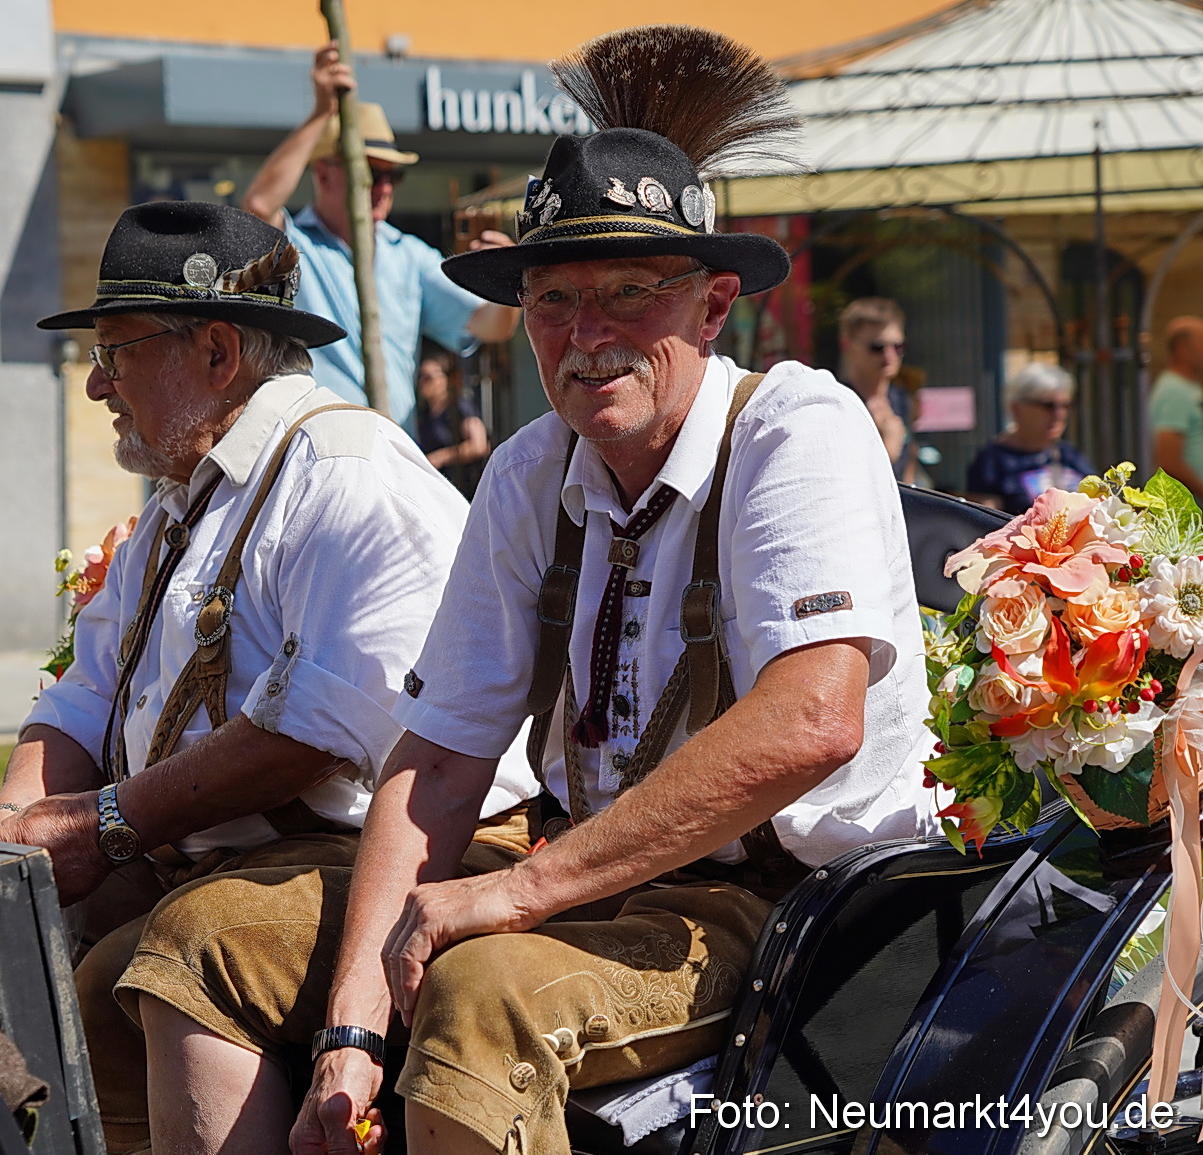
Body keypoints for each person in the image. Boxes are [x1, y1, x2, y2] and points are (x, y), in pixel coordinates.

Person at [125, 27, 937, 1155]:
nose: (584, 335)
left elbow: (811, 722)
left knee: (481, 995)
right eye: (553, 300)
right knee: (201, 939)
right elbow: (443, 756)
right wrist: (353, 1021)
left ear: (711, 308)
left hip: (795, 902)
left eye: (626, 294)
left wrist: (516, 894)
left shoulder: (796, 427)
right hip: (582, 867)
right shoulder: (528, 469)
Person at [0, 200, 538, 1154]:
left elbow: (318, 729)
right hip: (261, 859)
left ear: (216, 352)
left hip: (418, 858)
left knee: (186, 949)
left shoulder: (346, 472)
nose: (95, 385)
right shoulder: (180, 503)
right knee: (47, 966)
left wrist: (102, 825)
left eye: (115, 351)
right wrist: (4, 839)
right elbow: (80, 692)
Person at [240, 43, 521, 426]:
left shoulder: (407, 254)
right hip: (312, 455)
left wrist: (508, 282)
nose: (385, 187)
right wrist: (321, 114)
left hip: (390, 456)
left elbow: (491, 326)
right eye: (371, 172)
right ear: (323, 174)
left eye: (394, 176)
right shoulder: (294, 247)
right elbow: (258, 205)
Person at [965, 363, 1095, 513]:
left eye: (1065, 406)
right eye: (1048, 405)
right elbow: (985, 521)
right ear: (1016, 408)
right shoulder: (992, 461)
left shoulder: (1070, 455)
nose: (1059, 414)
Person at [838, 297, 918, 482]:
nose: (889, 355)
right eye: (877, 347)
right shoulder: (837, 401)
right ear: (847, 345)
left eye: (898, 346)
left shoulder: (901, 398)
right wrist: (888, 450)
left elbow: (909, 459)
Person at [412, 349, 489, 497]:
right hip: (435, 491)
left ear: (445, 379)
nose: (422, 382)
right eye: (420, 377)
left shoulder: (459, 408)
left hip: (463, 490)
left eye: (428, 378)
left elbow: (479, 445)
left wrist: (439, 458)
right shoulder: (424, 414)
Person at [1150, 315, 1203, 500]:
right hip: (1191, 510)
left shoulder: (1188, 387)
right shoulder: (1174, 391)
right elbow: (1168, 460)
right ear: (1181, 348)